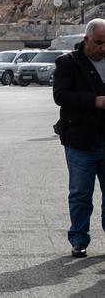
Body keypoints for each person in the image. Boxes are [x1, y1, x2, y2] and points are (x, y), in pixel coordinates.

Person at [52, 18, 105, 258]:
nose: (102, 48)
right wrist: (94, 102)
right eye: (98, 43)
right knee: (81, 194)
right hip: (81, 142)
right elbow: (61, 96)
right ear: (86, 39)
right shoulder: (68, 63)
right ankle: (79, 239)